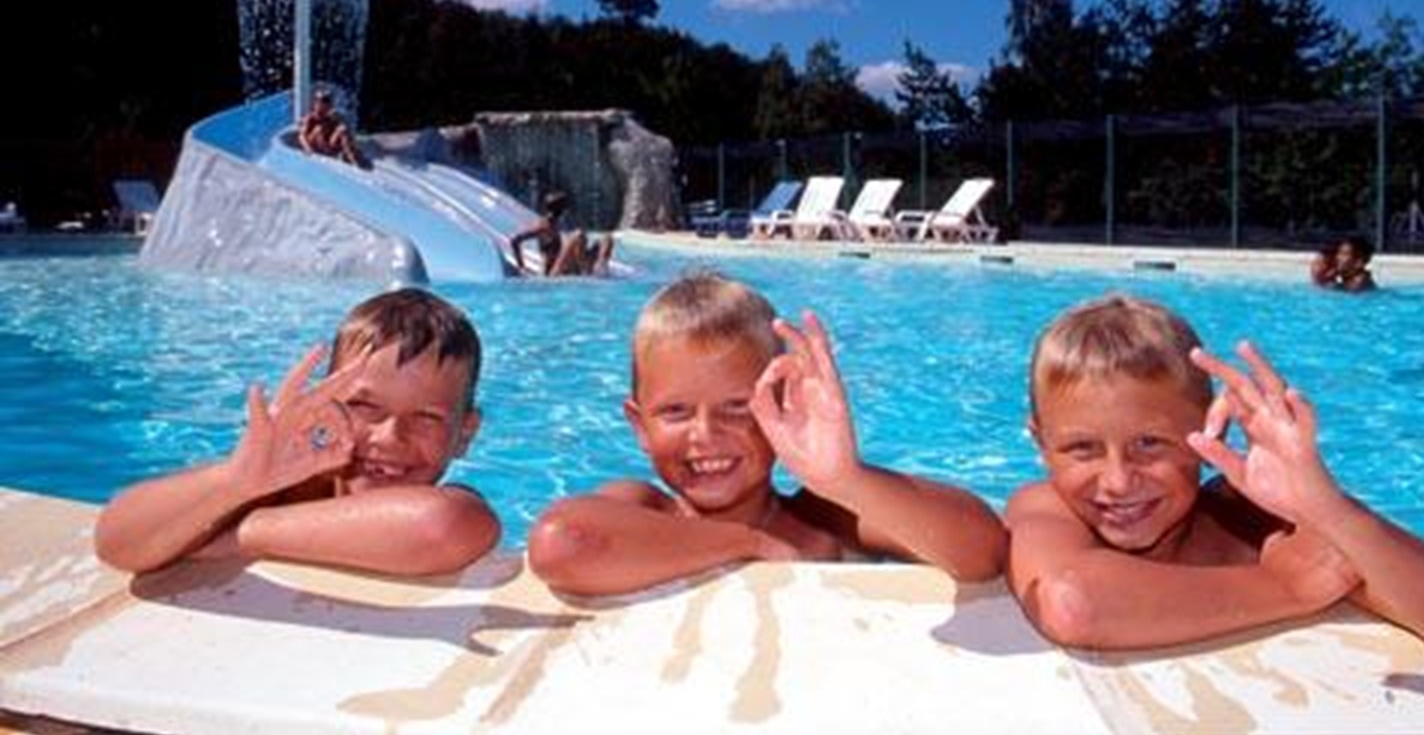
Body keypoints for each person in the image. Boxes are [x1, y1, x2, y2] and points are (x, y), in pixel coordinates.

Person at [1006, 294, 1424, 650]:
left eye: (1149, 444)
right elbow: (1076, 604)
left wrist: (1328, 508)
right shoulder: (1045, 508)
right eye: (1082, 448)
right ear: (1041, 441)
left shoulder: (1242, 516)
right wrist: (1287, 588)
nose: (1118, 480)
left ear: (1211, 428)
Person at [526, 272, 1008, 595]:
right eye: (675, 411)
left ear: (783, 408)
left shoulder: (824, 520)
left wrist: (847, 479)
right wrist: (746, 544)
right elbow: (562, 544)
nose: (705, 434)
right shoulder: (644, 509)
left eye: (738, 408)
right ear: (639, 426)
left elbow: (983, 550)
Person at [94, 288, 500, 576]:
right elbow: (115, 541)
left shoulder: (451, 503)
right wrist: (234, 481)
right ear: (324, 405)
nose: (391, 437)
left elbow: (441, 525)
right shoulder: (279, 484)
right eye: (363, 406)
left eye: (427, 417)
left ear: (465, 433)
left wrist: (235, 537)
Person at [510, 190, 614, 277]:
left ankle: (601, 269)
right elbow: (515, 240)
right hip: (553, 272)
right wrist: (521, 267)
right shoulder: (544, 226)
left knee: (606, 239)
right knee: (578, 235)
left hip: (567, 267)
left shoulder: (555, 224)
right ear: (563, 211)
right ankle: (585, 273)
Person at [298, 89, 368, 168]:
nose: (325, 104)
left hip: (327, 146)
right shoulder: (310, 118)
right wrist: (308, 149)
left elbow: (343, 131)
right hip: (315, 146)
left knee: (342, 128)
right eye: (323, 101)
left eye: (327, 101)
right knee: (319, 128)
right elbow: (302, 136)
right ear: (316, 103)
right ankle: (332, 155)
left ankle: (352, 159)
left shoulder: (331, 117)